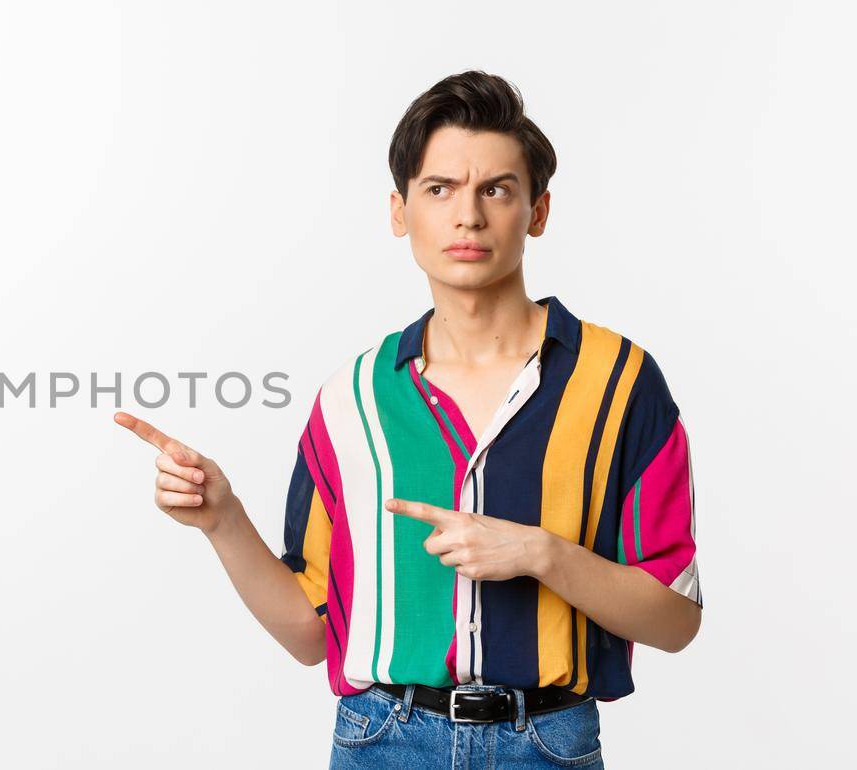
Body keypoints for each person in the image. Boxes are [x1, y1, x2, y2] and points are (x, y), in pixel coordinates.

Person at [113, 70, 701, 769]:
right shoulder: (352, 399)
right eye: (439, 189)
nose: (468, 216)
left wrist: (542, 554)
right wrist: (222, 519)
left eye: (497, 190)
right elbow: (309, 631)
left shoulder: (620, 381)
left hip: (549, 745)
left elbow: (676, 619)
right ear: (400, 211)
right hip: (382, 741)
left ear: (537, 210)